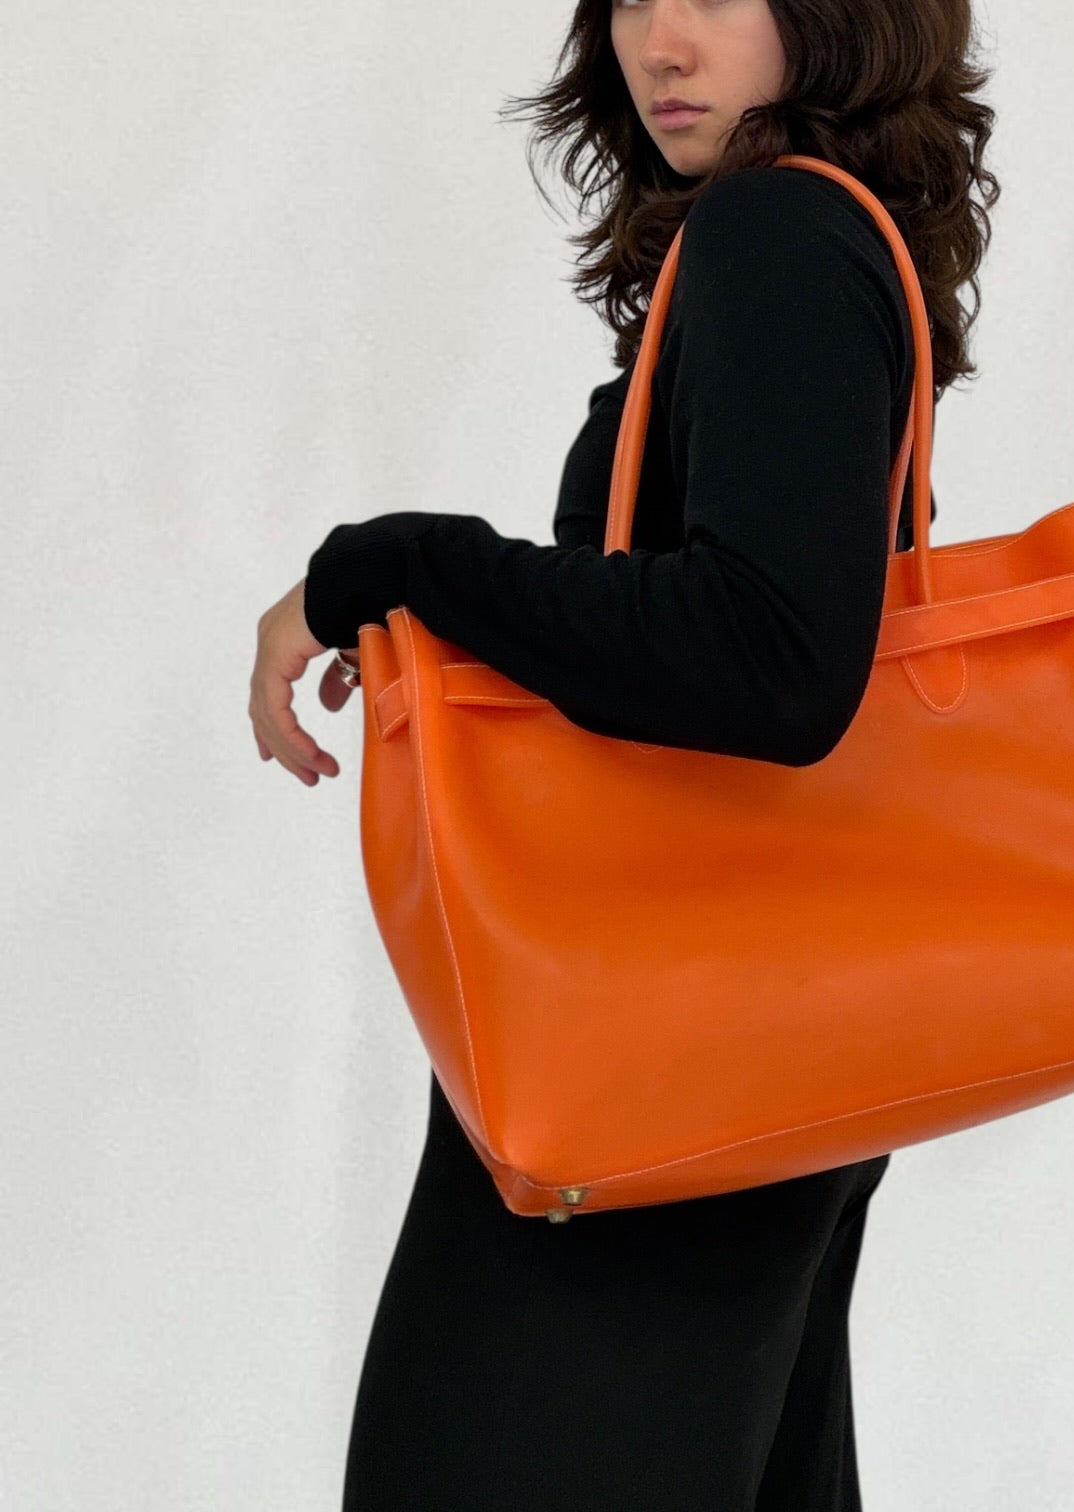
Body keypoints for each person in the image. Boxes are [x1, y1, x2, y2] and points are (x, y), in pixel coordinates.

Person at [248, 2, 999, 1506]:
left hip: (656, 1081)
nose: (658, 44)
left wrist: (395, 562)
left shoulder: (780, 234)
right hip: (747, 1066)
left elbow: (772, 662)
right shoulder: (821, 236)